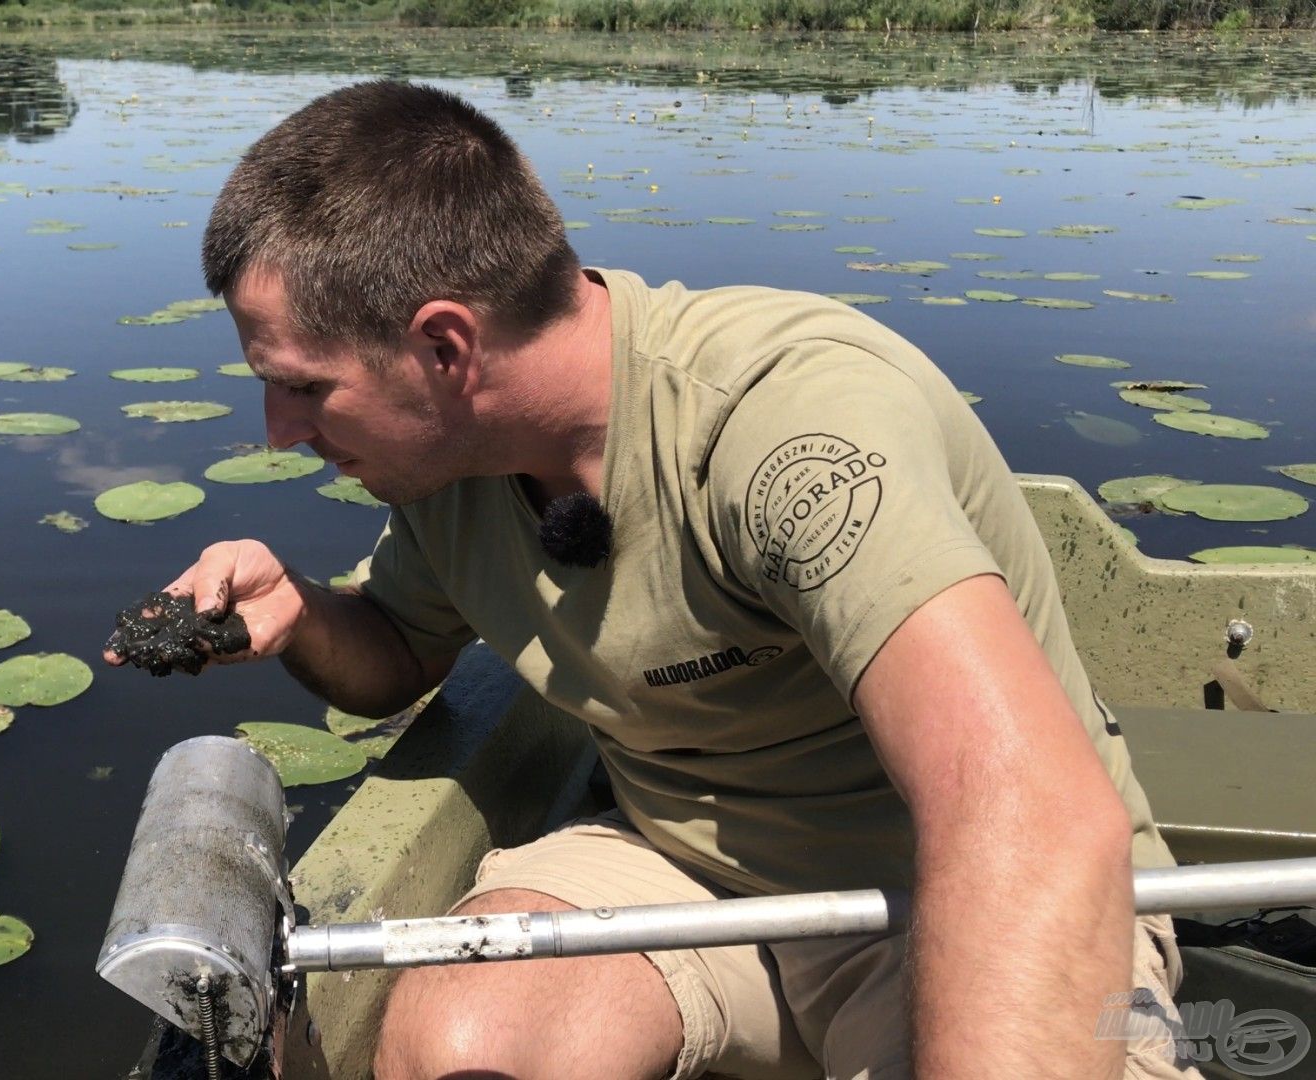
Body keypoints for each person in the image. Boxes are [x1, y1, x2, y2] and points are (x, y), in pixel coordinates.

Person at [107, 79, 1201, 1080]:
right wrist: (300, 615)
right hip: (683, 873)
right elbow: (395, 654)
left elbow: (1026, 813)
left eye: (301, 387)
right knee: (461, 1039)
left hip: (931, 895)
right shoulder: (449, 470)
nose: (277, 433)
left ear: (447, 349)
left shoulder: (782, 427)